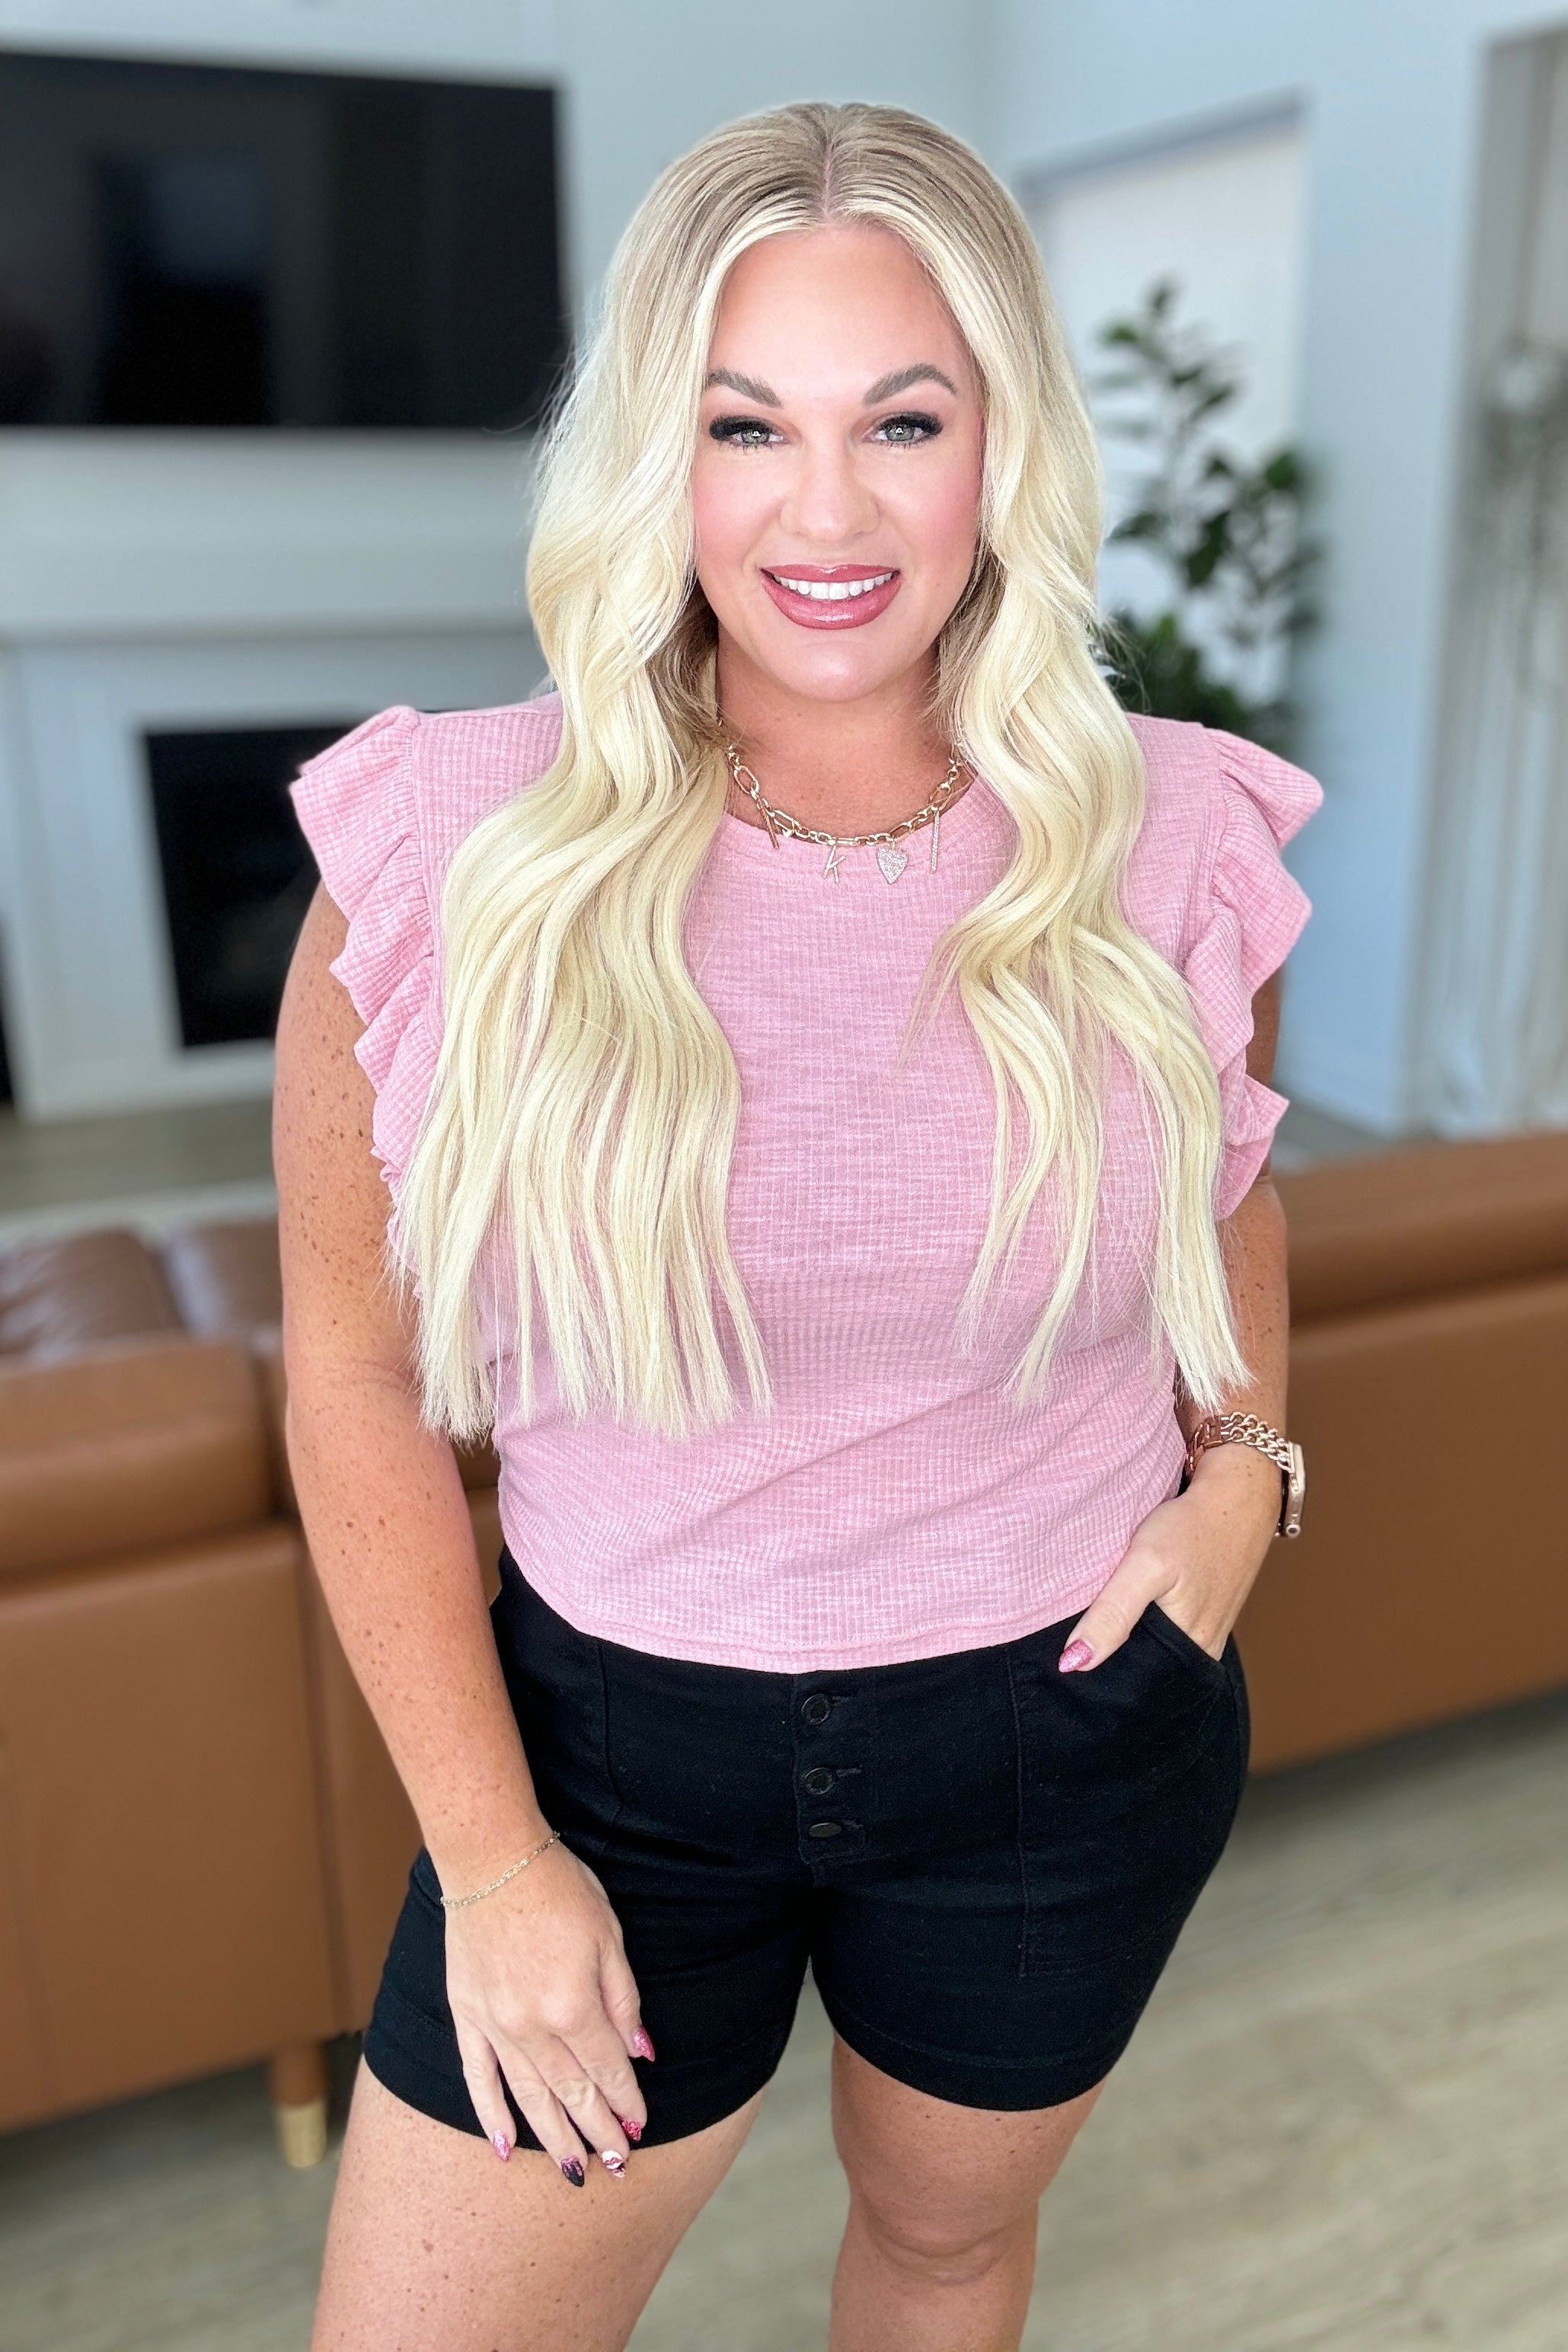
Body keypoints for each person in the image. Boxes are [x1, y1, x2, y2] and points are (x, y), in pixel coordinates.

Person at [276, 100, 1321, 2352]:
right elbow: (354, 1379)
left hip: (1061, 1725)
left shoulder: (1169, 832)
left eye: (901, 422)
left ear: (1001, 448)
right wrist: (493, 1858)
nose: (825, 513)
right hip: (606, 1762)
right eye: (743, 425)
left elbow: (1223, 1178)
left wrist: (1242, 1472)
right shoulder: (449, 851)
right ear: (652, 460)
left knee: (942, 2249)